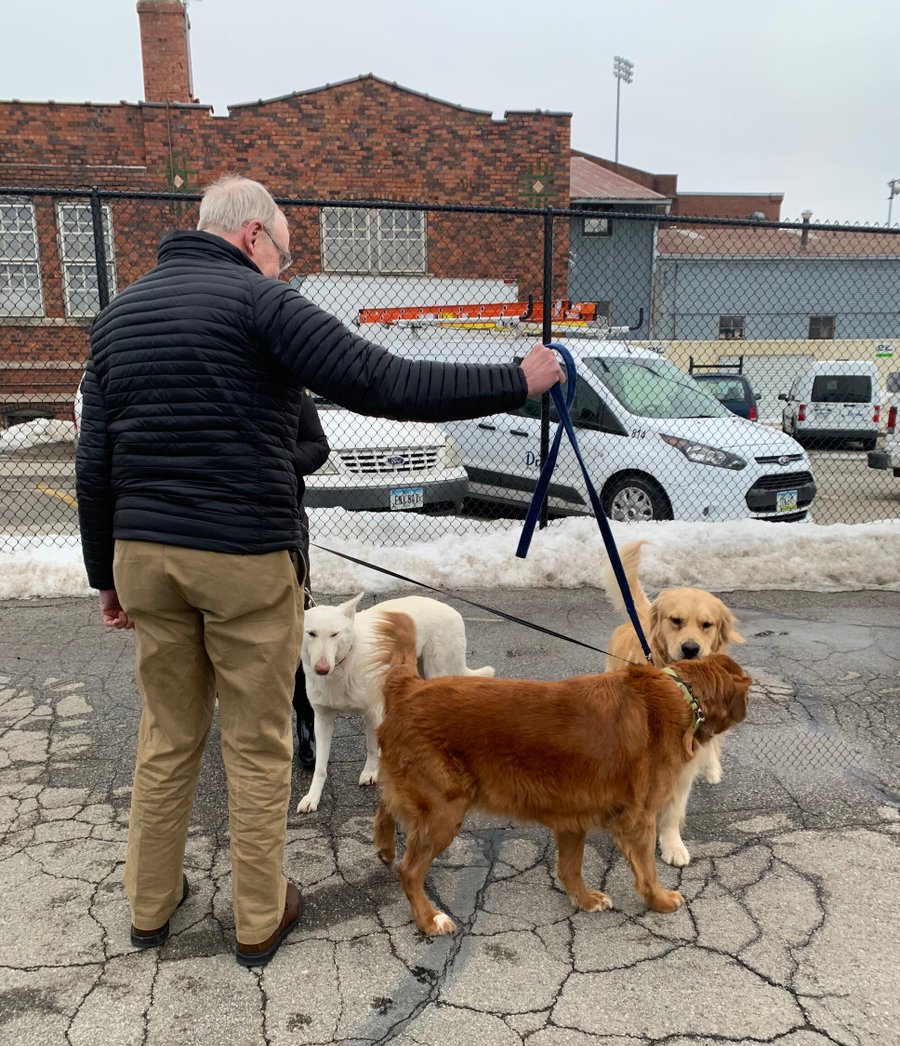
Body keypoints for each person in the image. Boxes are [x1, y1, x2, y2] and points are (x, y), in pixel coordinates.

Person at [75, 173, 564, 969]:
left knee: (166, 734)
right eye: (284, 252)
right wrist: (516, 379)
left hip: (145, 556)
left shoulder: (118, 316)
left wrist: (106, 573)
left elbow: (94, 456)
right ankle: (258, 918)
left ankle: (150, 905)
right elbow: (385, 380)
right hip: (241, 553)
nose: (285, 268)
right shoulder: (260, 303)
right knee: (257, 739)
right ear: (252, 237)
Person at [291, 391, 329, 769]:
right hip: (210, 525)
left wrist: (275, 460)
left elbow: (318, 446)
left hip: (282, 521)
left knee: (297, 623)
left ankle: (305, 718)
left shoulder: (290, 388)